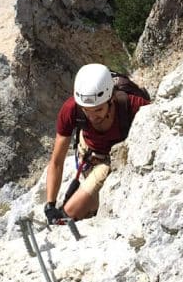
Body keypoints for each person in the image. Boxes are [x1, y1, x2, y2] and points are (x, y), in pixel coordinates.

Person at [43, 63, 150, 223]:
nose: (92, 116)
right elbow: (57, 162)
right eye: (87, 110)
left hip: (113, 159)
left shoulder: (132, 104)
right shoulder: (72, 108)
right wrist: (50, 204)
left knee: (70, 211)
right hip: (88, 153)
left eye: (98, 110)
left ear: (111, 98)